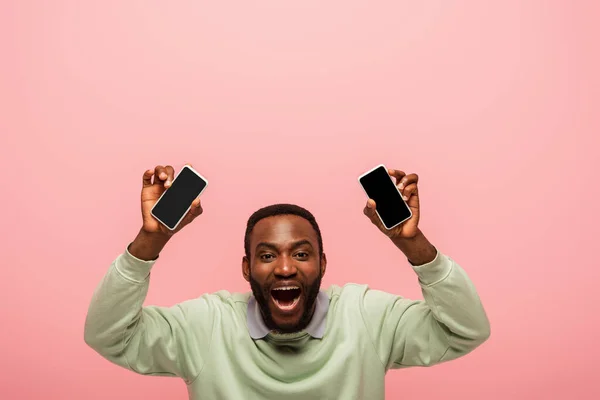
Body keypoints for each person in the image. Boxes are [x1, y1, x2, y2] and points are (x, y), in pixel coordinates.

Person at [84, 163, 490, 399]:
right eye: (266, 255)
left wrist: (414, 244)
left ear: (323, 264)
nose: (283, 268)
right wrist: (150, 241)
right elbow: (109, 336)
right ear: (246, 270)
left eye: (300, 253)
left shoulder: (367, 317)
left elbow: (465, 331)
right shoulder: (206, 326)